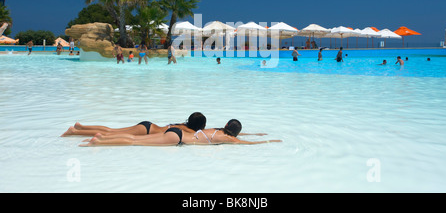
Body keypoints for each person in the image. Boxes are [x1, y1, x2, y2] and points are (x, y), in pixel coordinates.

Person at [79, 119, 281, 147]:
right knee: (134, 142)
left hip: (176, 132)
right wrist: (267, 141)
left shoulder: (217, 130)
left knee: (134, 138)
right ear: (236, 133)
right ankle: (98, 142)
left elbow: (238, 135)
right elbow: (244, 143)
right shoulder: (227, 139)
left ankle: (102, 136)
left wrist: (256, 134)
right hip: (176, 139)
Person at [61, 112, 207, 137]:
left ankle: (82, 127)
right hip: (146, 132)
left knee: (111, 130)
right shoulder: (187, 130)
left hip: (148, 125)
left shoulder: (182, 124)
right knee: (110, 133)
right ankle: (75, 132)